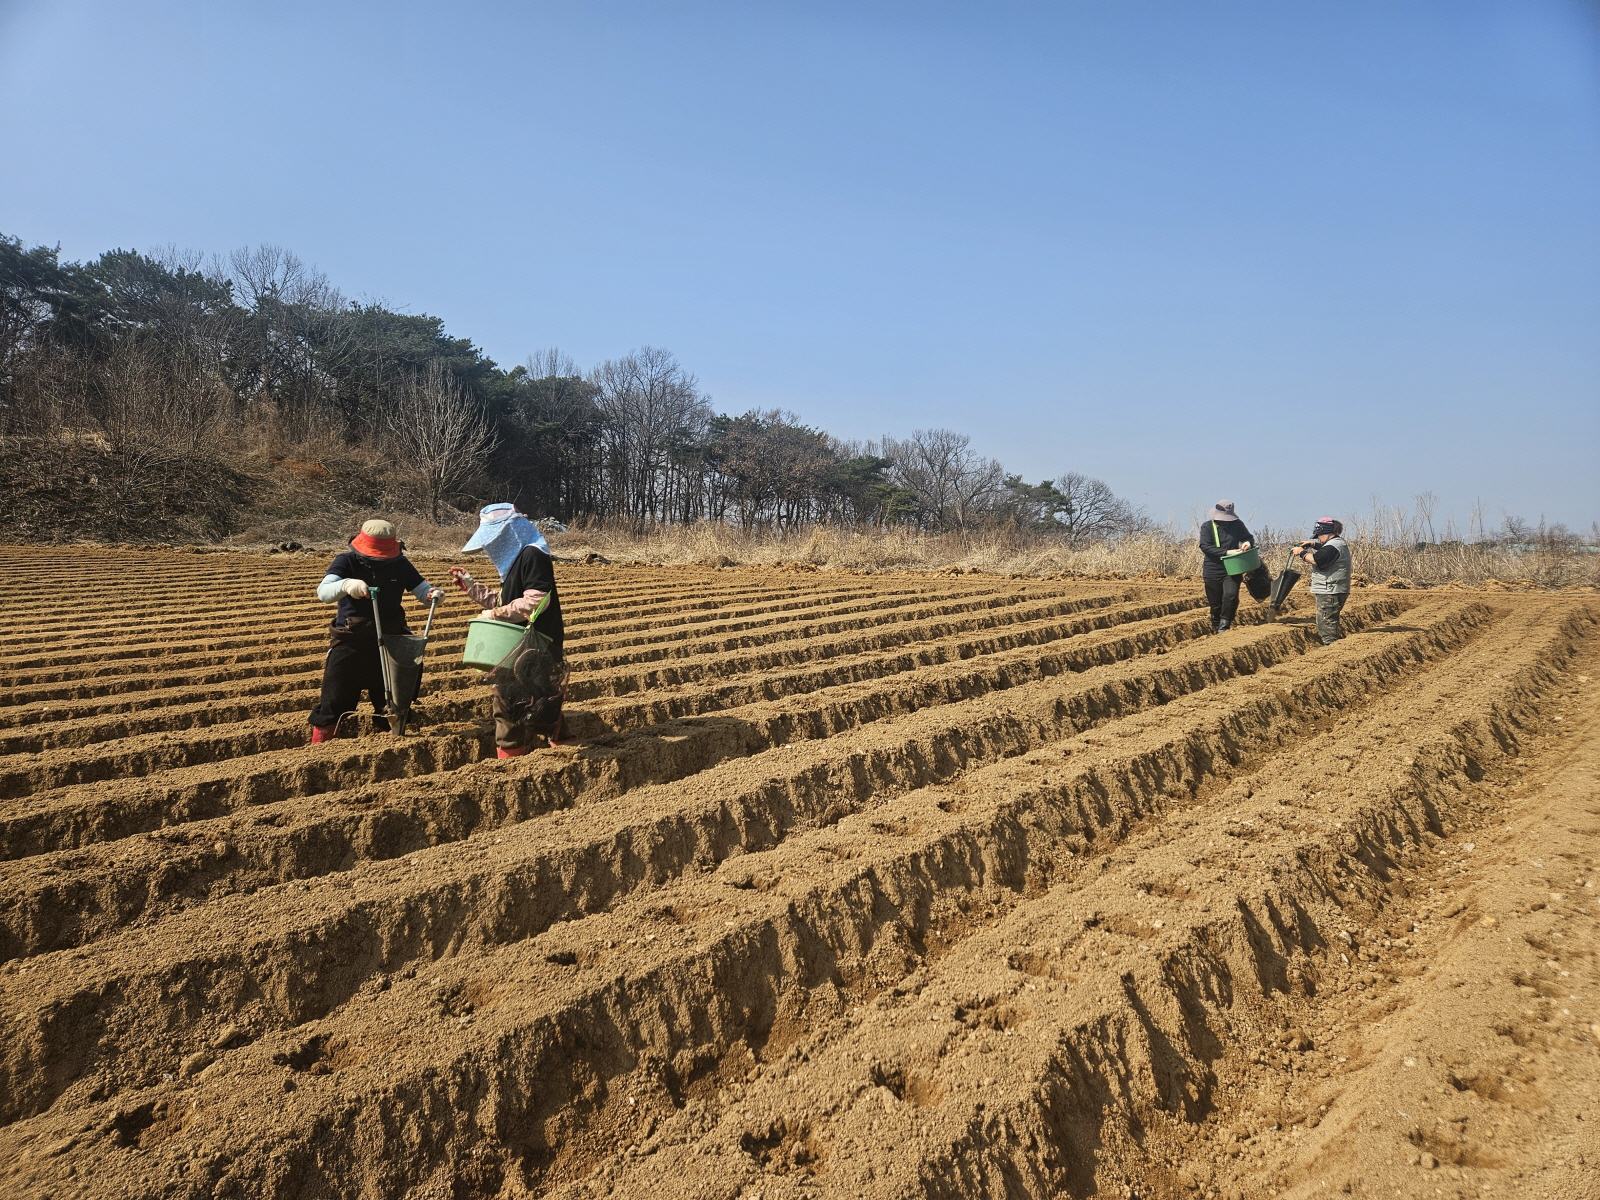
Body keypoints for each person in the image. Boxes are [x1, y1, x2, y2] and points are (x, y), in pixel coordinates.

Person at [450, 503, 569, 757]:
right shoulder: (517, 561)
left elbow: (537, 600)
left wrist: (495, 614)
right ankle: (535, 750)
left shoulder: (532, 556)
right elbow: (505, 602)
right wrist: (472, 587)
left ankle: (549, 753)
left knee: (529, 703)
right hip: (517, 643)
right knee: (521, 702)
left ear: (511, 532)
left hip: (537, 645)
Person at [308, 519, 442, 743]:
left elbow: (421, 589)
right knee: (334, 700)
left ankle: (390, 744)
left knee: (394, 702)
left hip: (391, 641)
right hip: (352, 639)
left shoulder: (400, 564)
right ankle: (322, 747)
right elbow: (323, 592)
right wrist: (346, 585)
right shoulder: (346, 561)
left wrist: (432, 594)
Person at [1197, 499, 1273, 632]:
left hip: (1233, 568)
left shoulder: (1237, 524)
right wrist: (1227, 552)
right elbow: (1205, 546)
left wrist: (1247, 544)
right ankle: (1216, 623)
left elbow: (1248, 538)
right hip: (1212, 569)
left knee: (1231, 596)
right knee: (1215, 603)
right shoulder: (1207, 527)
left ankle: (1224, 625)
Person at [1291, 517, 1352, 645]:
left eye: (1319, 535)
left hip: (1330, 590)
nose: (1318, 538)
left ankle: (1330, 648)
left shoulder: (1334, 546)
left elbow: (1316, 559)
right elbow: (1325, 551)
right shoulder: (1338, 543)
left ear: (1327, 532)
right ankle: (1331, 645)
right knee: (1328, 619)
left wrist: (1301, 552)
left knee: (1326, 621)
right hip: (1335, 589)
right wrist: (1313, 545)